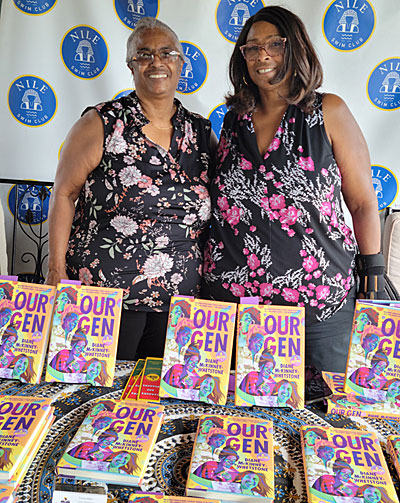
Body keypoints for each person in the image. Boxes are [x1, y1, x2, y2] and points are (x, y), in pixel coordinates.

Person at [201, 5, 383, 373]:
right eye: (251, 47)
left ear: (296, 47)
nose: (262, 55)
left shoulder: (328, 111)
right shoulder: (234, 120)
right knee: (243, 417)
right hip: (235, 306)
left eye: (274, 44)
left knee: (327, 413)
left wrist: (373, 271)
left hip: (317, 304)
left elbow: (362, 202)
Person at [45, 17, 215, 361]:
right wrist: (55, 269)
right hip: (105, 297)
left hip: (181, 303)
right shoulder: (102, 122)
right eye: (144, 54)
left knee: (164, 402)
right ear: (130, 65)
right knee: (96, 395)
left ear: (181, 62)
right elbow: (64, 193)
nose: (156, 62)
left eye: (167, 53)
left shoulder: (200, 132)